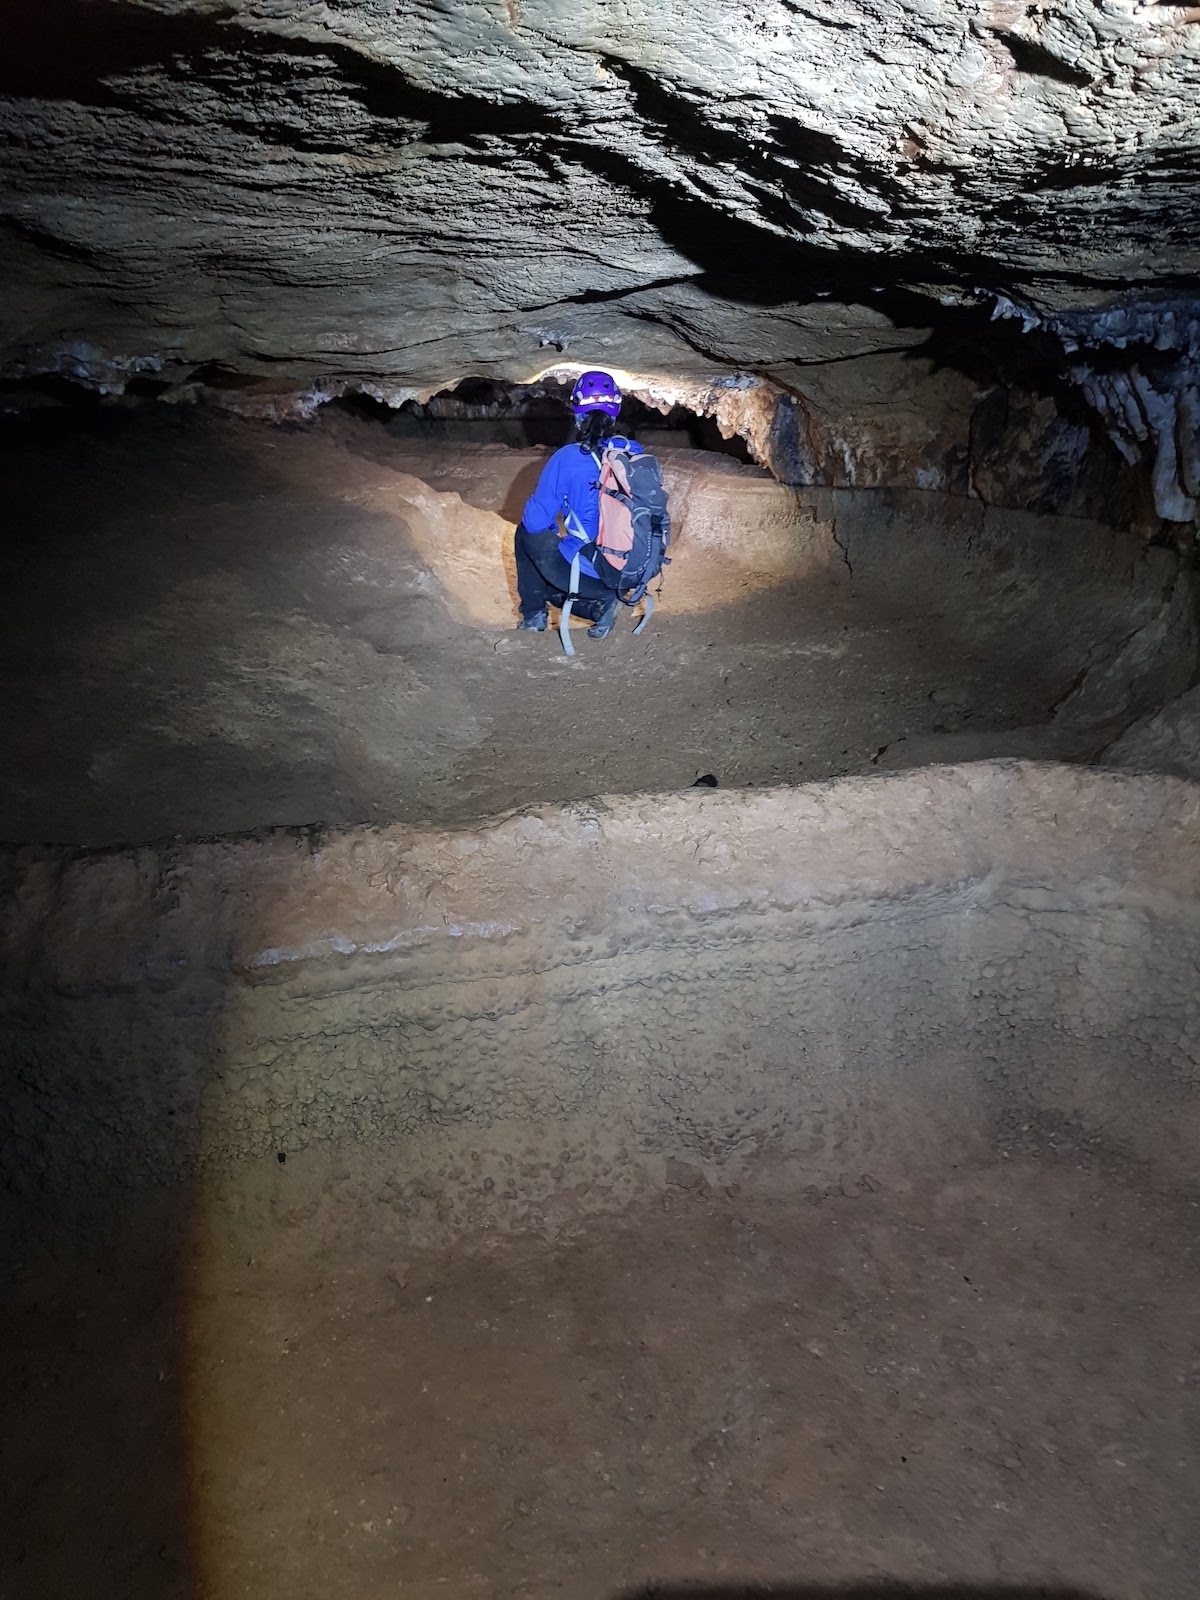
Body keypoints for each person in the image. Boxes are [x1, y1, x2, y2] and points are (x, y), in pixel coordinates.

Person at [513, 370, 644, 639]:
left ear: (577, 413)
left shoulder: (568, 458)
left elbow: (535, 521)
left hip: (590, 574)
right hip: (631, 572)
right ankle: (603, 605)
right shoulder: (635, 452)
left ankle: (533, 616)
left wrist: (553, 527)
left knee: (525, 534)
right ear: (615, 411)